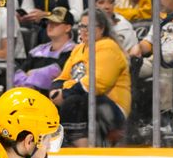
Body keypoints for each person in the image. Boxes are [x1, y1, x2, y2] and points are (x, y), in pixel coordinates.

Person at [51, 9, 130, 146]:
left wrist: (65, 93)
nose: (85, 30)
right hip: (79, 96)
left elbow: (97, 83)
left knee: (76, 101)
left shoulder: (109, 47)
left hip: (111, 107)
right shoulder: (79, 48)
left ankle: (82, 148)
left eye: (90, 27)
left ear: (102, 28)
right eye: (82, 26)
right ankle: (64, 143)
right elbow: (63, 76)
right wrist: (55, 91)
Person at [14, 6, 75, 95]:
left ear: (68, 28)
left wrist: (31, 73)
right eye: (49, 22)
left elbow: (53, 72)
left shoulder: (74, 51)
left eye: (55, 23)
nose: (50, 26)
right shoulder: (38, 51)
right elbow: (19, 72)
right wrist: (25, 84)